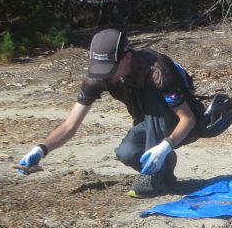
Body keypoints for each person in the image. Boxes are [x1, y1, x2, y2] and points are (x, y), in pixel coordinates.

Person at [15, 29, 204, 198]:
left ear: (127, 57)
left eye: (109, 70)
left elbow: (188, 118)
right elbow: (70, 125)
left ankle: (153, 176)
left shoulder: (157, 70)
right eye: (100, 70)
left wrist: (165, 146)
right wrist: (41, 149)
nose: (105, 76)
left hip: (179, 121)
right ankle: (164, 170)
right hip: (145, 119)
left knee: (155, 101)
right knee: (127, 153)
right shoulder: (98, 77)